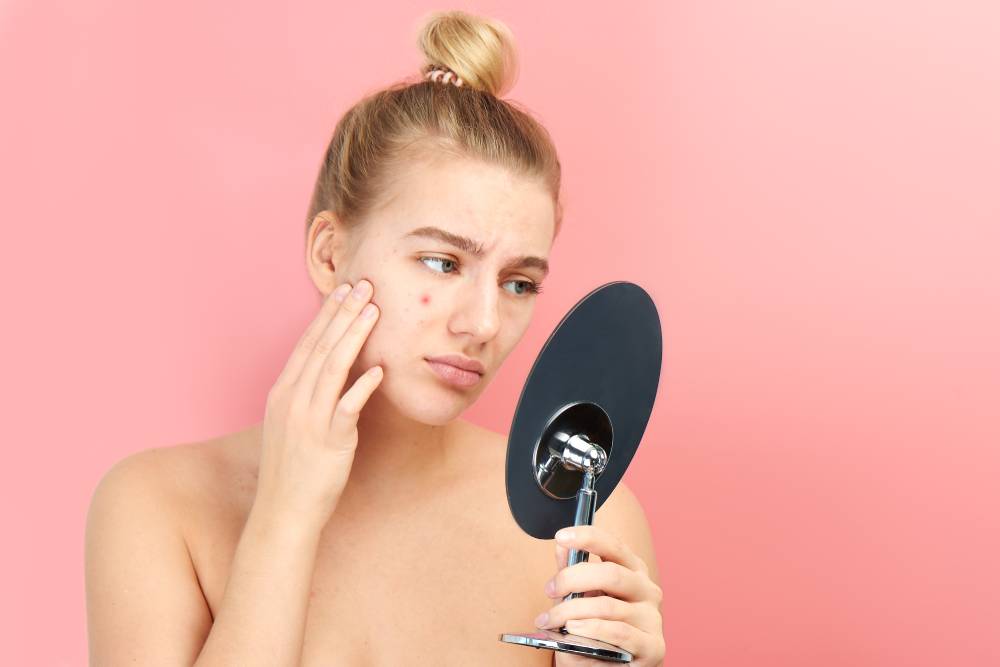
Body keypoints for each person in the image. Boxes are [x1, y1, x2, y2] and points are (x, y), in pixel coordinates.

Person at [84, 10, 665, 666]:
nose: (482, 323)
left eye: (519, 282)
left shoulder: (584, 529)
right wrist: (284, 515)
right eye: (443, 262)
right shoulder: (158, 507)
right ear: (331, 253)